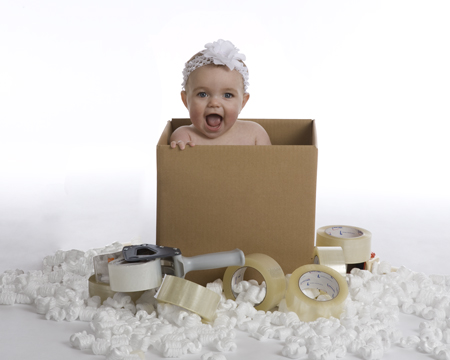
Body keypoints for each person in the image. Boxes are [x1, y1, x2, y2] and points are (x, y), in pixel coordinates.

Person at [170, 39, 271, 150]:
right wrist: (179, 148)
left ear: (243, 102)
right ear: (185, 100)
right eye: (202, 94)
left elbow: (270, 165)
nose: (214, 103)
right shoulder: (185, 136)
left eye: (227, 95)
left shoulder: (255, 134)